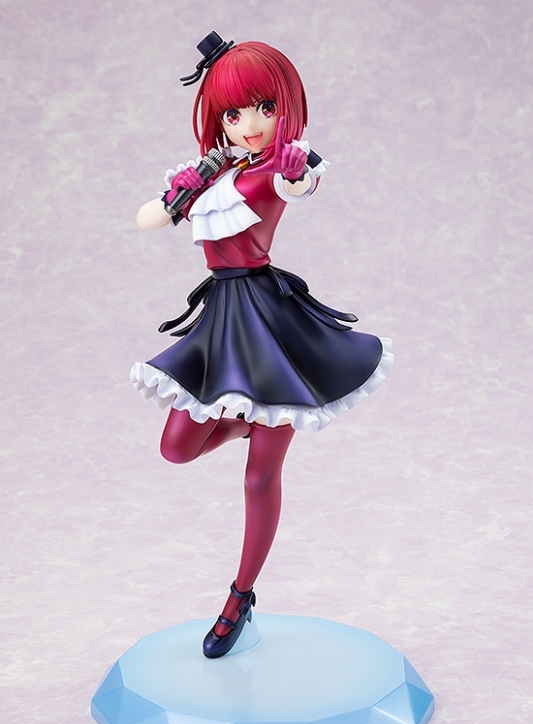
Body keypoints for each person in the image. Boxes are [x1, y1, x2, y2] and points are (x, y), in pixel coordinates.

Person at [131, 33, 393, 658]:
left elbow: (298, 185)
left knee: (259, 478)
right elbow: (148, 219)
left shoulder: (281, 168)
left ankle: (239, 597)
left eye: (265, 108)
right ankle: (256, 419)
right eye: (234, 113)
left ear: (285, 109)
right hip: (223, 318)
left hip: (271, 322)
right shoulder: (214, 173)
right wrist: (177, 194)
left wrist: (296, 173)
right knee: (176, 447)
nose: (251, 125)